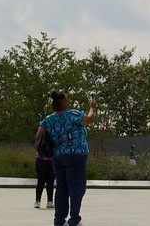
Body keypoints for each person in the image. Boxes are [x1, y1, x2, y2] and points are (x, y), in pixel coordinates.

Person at [37, 91, 96, 226]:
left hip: (58, 157)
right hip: (76, 155)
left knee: (62, 188)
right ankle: (74, 220)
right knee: (77, 188)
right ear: (63, 101)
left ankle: (59, 220)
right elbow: (90, 119)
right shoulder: (73, 115)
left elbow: (38, 136)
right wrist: (92, 107)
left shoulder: (48, 119)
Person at [34, 130, 55, 210]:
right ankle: (39, 200)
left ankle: (47, 201)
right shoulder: (51, 132)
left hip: (45, 160)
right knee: (43, 181)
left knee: (48, 181)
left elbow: (36, 139)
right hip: (44, 159)